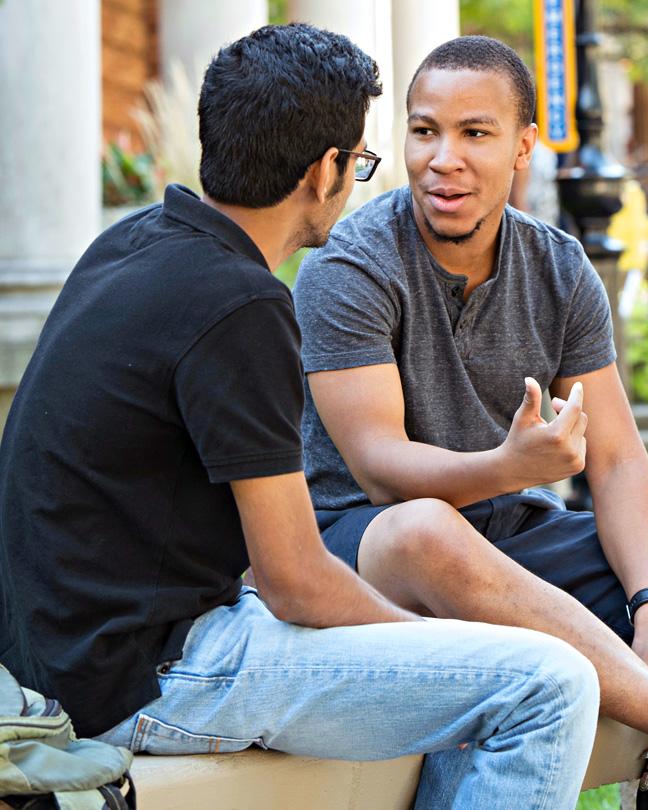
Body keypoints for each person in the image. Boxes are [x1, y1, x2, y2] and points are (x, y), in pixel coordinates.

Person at [0, 25, 604, 809]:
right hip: (143, 677)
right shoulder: (242, 304)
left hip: (58, 649)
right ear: (324, 171)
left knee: (474, 677)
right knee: (547, 683)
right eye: (358, 161)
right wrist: (433, 646)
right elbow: (295, 581)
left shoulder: (131, 244)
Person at [293, 35, 648, 807]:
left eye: (474, 133)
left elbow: (614, 462)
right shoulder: (350, 265)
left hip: (516, 531)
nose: (443, 158)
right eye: (423, 130)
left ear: (522, 147)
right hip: (364, 539)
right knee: (426, 528)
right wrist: (508, 466)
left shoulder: (559, 266)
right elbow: (376, 463)